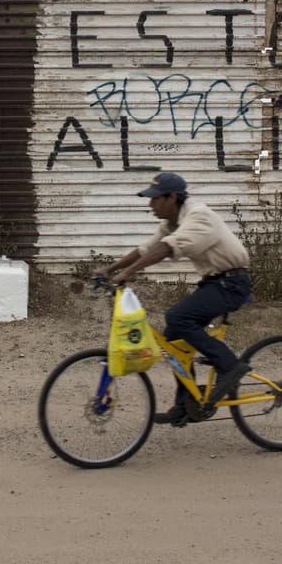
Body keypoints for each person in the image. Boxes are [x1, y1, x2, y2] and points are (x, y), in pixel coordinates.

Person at [93, 172, 253, 427]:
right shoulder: (172, 222)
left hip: (232, 283)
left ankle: (230, 367)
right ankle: (186, 404)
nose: (151, 205)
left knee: (178, 317)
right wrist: (109, 269)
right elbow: (146, 249)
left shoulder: (199, 216)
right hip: (214, 282)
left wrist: (127, 274)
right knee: (175, 340)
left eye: (156, 199)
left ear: (172, 197)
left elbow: (168, 247)